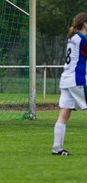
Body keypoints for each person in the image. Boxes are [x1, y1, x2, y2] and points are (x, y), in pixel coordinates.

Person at [52, 12, 87, 156]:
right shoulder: (82, 39)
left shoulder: (73, 37)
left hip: (66, 80)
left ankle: (57, 149)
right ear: (85, 24)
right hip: (77, 80)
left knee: (64, 114)